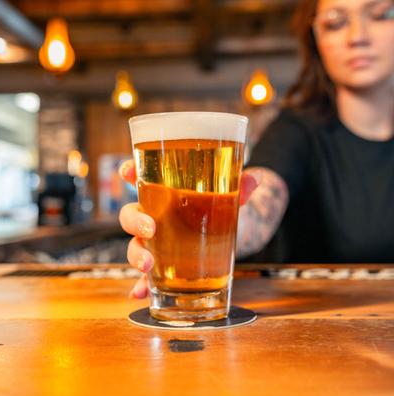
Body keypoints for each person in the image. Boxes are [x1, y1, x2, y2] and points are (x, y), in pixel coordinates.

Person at [119, 0, 394, 298]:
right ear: (316, 39)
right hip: (314, 331)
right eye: (335, 22)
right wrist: (183, 228)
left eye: (381, 14)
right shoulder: (294, 132)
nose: (357, 36)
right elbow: (258, 205)